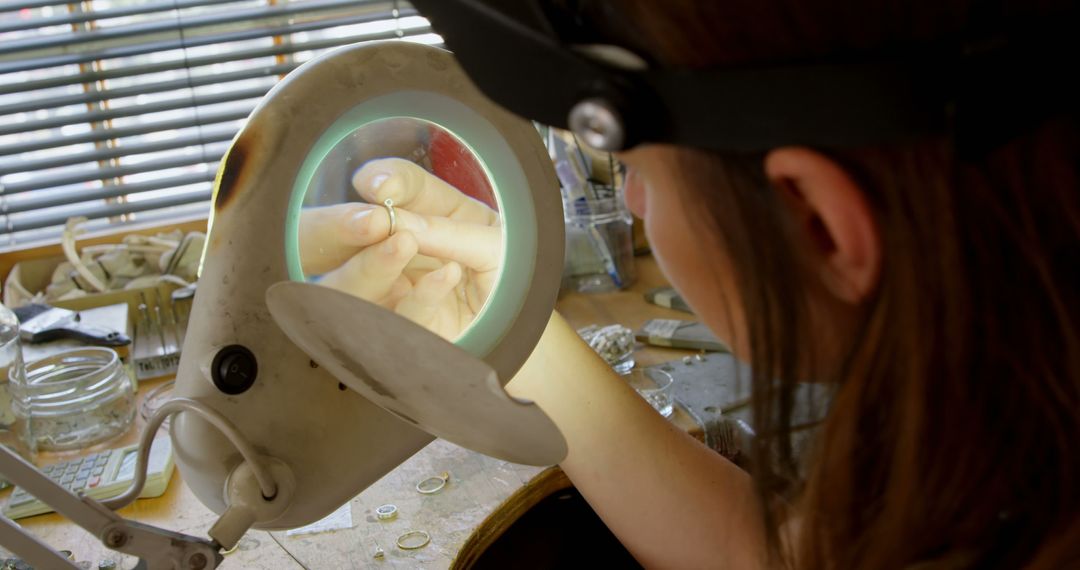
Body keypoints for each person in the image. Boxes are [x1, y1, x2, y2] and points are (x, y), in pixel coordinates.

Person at [299, 1, 1079, 568]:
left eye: (635, 170)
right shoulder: (1010, 429)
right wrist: (512, 320)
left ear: (817, 225)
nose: (631, 202)